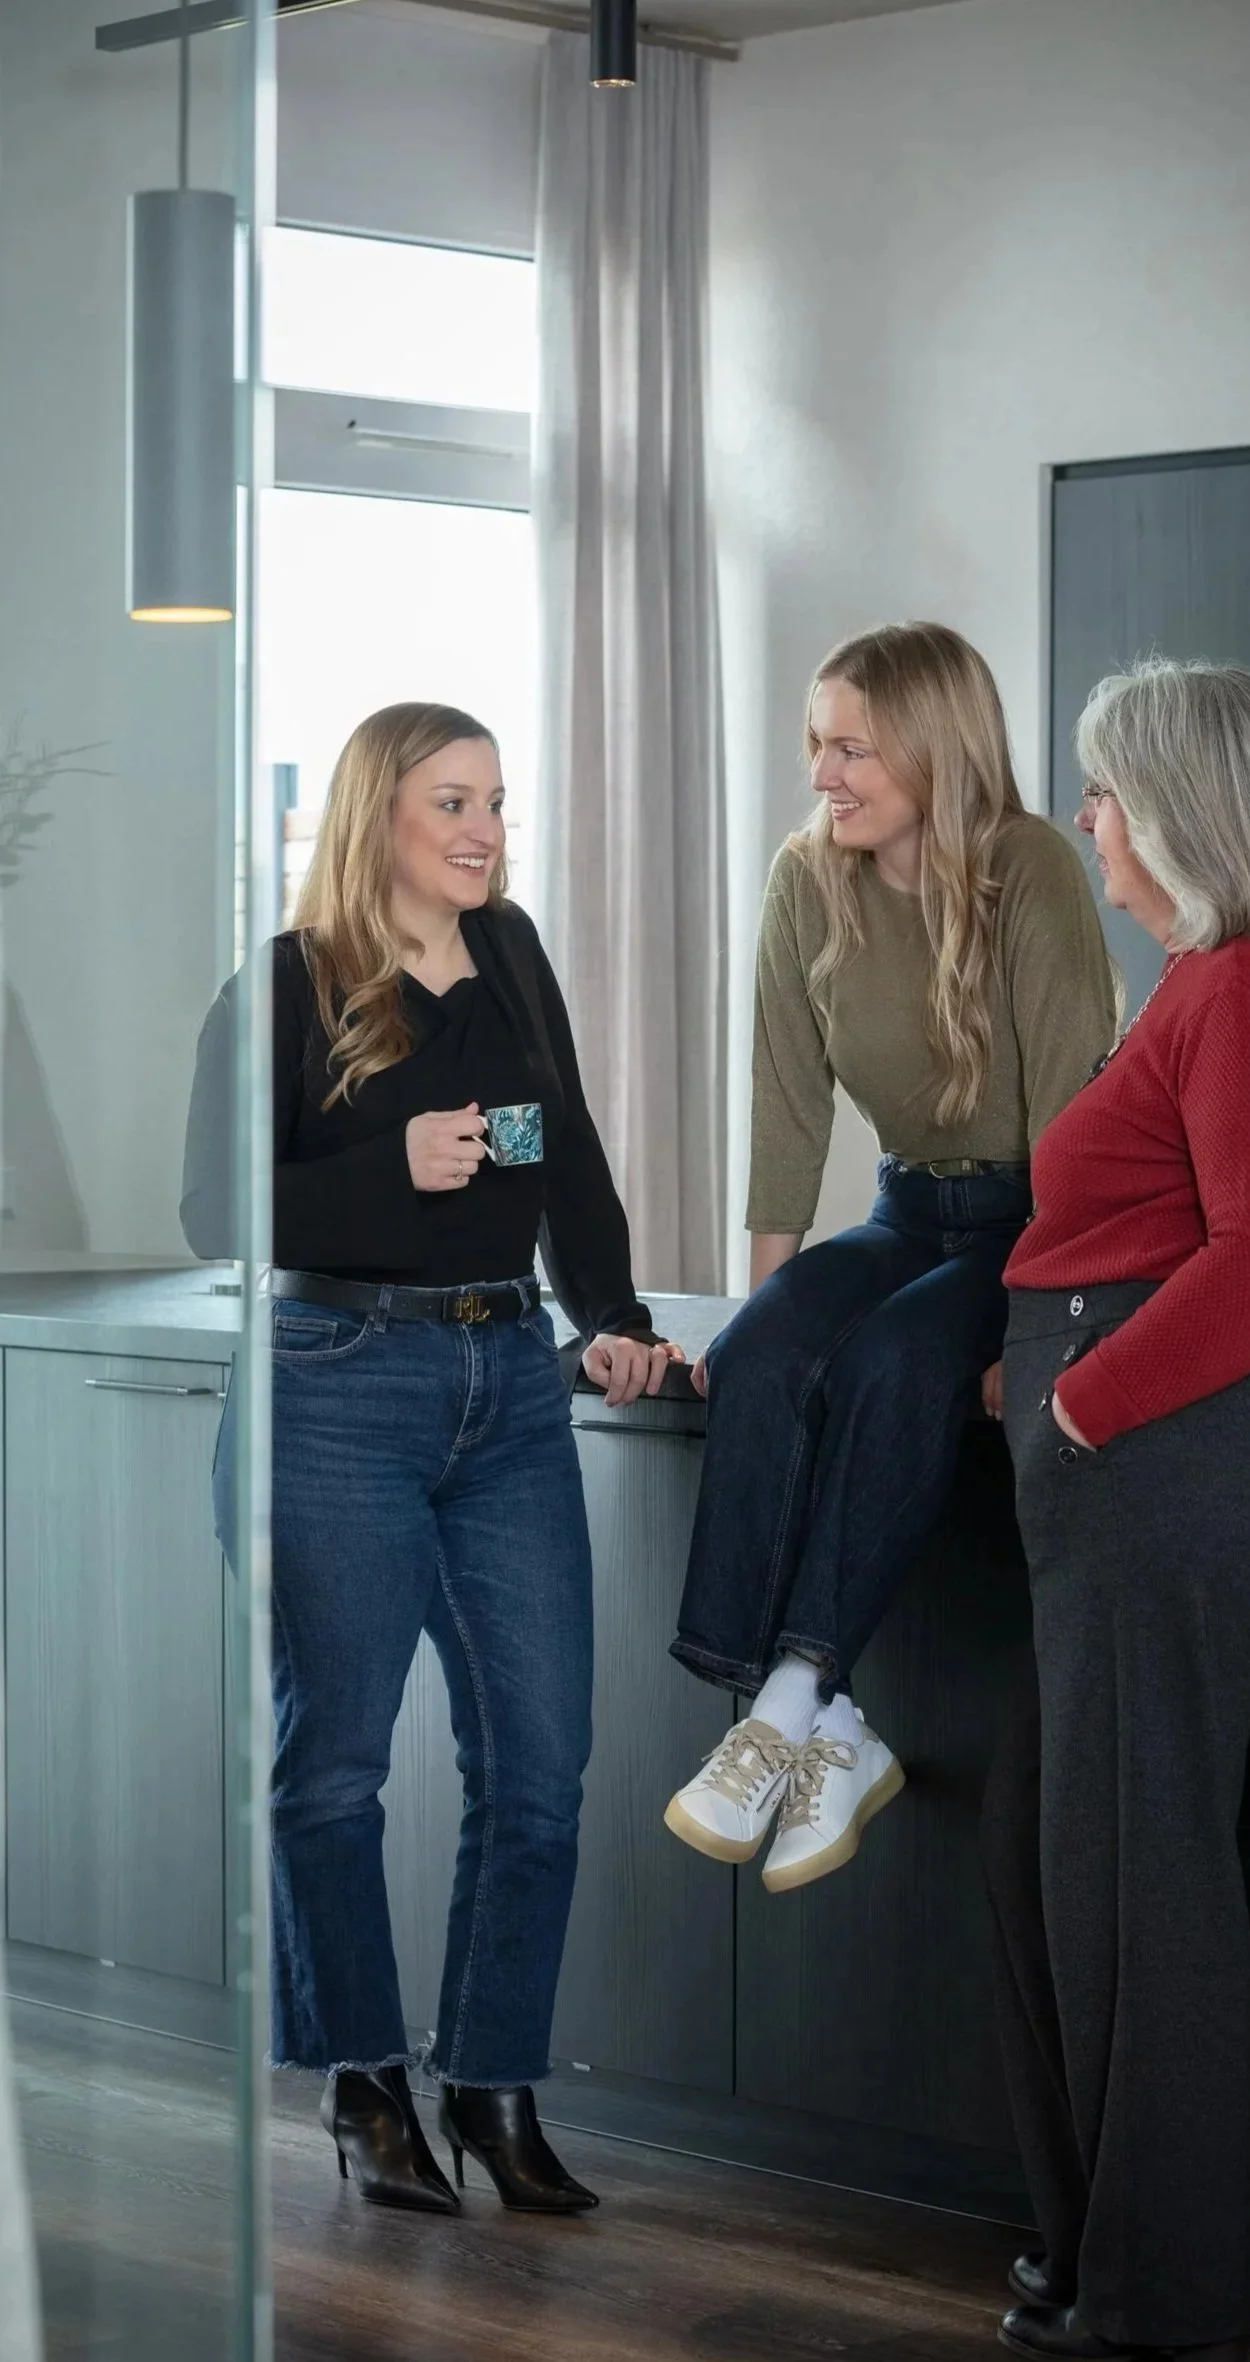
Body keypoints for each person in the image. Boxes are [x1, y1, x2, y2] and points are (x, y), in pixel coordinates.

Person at [182, 702, 681, 2217]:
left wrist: (613, 1315)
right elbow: (218, 1210)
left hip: (507, 1384)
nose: (483, 830)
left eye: (497, 802)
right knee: (332, 1768)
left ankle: (490, 2081)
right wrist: (383, 1170)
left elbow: (568, 1151)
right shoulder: (282, 986)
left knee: (539, 1766)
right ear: (374, 816)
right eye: (452, 802)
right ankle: (362, 2083)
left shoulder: (512, 949)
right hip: (334, 1383)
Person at [981, 659, 1250, 2362]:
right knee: (1049, 1861)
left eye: (1104, 792)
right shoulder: (1200, 982)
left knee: (1141, 1890)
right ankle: (1094, 2255)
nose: (1087, 823)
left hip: (1181, 1464)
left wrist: (1080, 1396)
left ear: (1177, 807)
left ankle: (1151, 2308)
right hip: (1146, 1464)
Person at [664, 623, 1116, 1894]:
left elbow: (1073, 1125)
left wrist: (1042, 1326)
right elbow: (783, 1098)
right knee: (759, 1356)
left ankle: (788, 1696)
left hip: (1038, 1216)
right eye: (816, 744)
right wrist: (768, 1300)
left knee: (902, 1363)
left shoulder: (1028, 867)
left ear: (932, 746)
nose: (823, 774)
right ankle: (835, 1729)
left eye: (850, 746)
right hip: (905, 1208)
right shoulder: (807, 878)